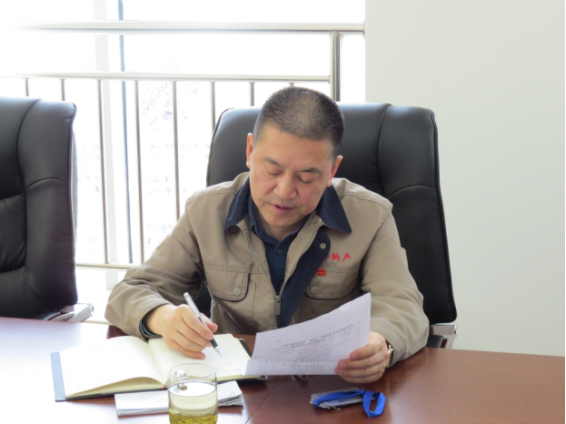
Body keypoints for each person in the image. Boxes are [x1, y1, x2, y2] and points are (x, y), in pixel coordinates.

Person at [106, 87, 429, 384]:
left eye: (306, 177)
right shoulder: (205, 211)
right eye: (272, 170)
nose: (284, 191)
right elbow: (132, 290)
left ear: (332, 170)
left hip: (329, 388)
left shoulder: (371, 216)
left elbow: (403, 306)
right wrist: (163, 317)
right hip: (237, 386)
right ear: (250, 151)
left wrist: (382, 343)